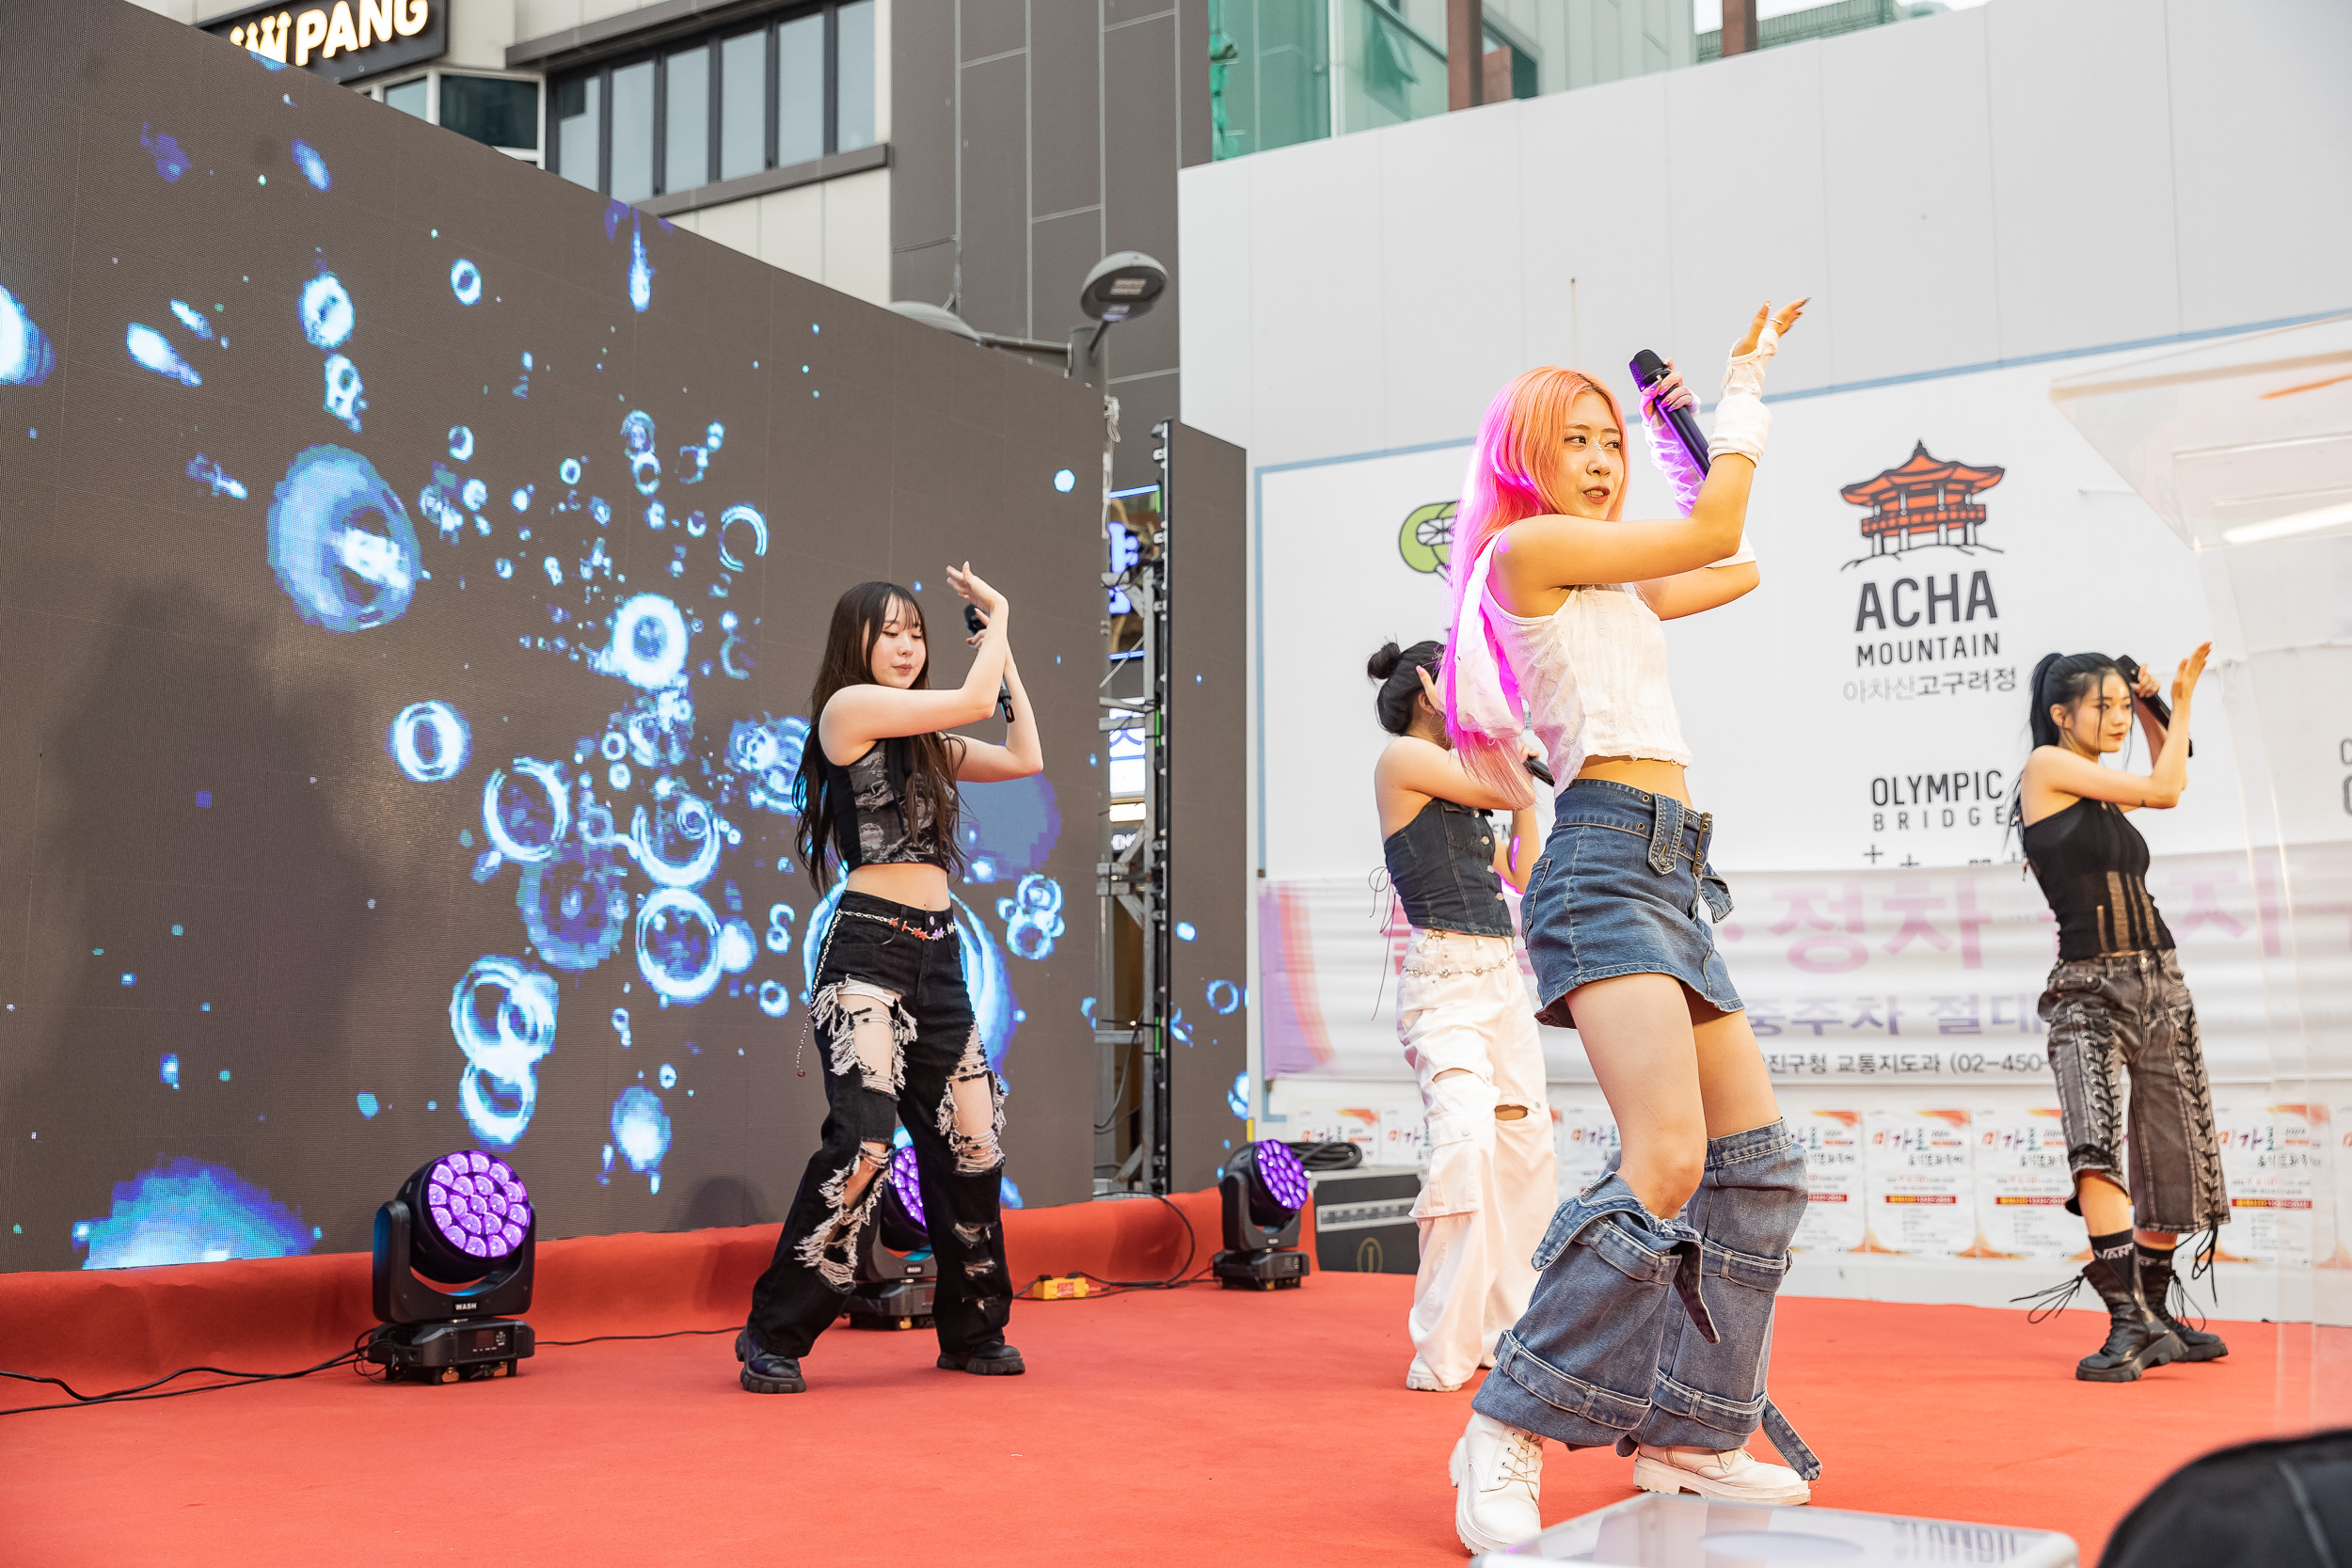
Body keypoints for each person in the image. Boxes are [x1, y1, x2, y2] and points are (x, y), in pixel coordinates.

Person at [1436, 302, 1820, 1554]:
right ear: (1527, 461)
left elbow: (1738, 558)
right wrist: (1744, 394)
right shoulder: (1528, 555)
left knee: (1755, 1163)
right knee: (1665, 1157)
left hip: (1676, 869)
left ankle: (1690, 1426)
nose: (1598, 460)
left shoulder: (1613, 578)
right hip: (1603, 859)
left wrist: (1676, 428)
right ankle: (1508, 1418)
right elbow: (1722, 527)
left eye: (1611, 438)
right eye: (1578, 439)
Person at [738, 569, 1041, 1394]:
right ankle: (775, 1330)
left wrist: (1001, 656)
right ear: (858, 642)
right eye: (891, 632)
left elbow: (1025, 754)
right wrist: (1003, 618)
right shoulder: (850, 711)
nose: (906, 645)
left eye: (916, 633)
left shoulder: (928, 741)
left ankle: (974, 1327)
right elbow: (973, 702)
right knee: (866, 1144)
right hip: (866, 957)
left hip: (938, 956)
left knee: (973, 1140)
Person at [2012, 647, 2228, 1382]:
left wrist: (2149, 702)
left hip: (2160, 979)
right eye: (2099, 707)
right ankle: (2126, 1320)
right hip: (2090, 990)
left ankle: (2159, 1315)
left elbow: (2174, 766)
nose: (2112, 720)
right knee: (2096, 1148)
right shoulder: (2047, 768)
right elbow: (2168, 789)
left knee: (2174, 1150)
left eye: (2116, 707)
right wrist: (2184, 694)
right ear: (2060, 714)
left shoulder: (2099, 790)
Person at [1367, 639, 1553, 1395]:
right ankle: (1442, 1343)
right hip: (1444, 981)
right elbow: (1504, 780)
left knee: (1523, 1149)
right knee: (1466, 1147)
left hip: (1500, 977)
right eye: (1460, 677)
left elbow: (1524, 866)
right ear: (1424, 686)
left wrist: (1525, 793)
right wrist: (1503, 745)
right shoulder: (1402, 760)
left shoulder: (1471, 773)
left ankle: (1507, 1330)